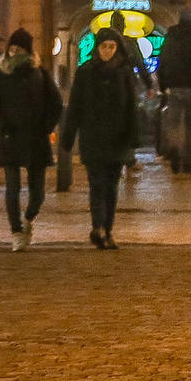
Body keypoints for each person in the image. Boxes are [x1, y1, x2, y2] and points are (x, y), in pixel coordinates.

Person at [0, 30, 60, 251]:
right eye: (12, 49)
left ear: (28, 50)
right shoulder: (1, 74)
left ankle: (28, 219)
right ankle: (15, 231)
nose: (14, 52)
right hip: (11, 137)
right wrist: (2, 126)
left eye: (19, 49)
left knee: (38, 193)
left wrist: (46, 127)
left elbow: (56, 104)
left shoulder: (39, 73)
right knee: (12, 188)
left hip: (36, 138)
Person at [63, 29, 141, 247]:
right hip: (93, 137)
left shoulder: (125, 73)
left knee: (112, 187)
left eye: (111, 47)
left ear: (117, 49)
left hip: (117, 138)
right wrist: (68, 136)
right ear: (97, 48)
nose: (107, 51)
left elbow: (132, 107)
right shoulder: (85, 72)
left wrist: (132, 138)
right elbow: (75, 106)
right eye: (104, 46)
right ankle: (97, 227)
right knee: (96, 185)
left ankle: (107, 229)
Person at [154, 9, 191, 174]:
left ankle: (174, 149)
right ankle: (187, 162)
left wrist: (163, 85)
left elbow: (162, 59)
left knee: (173, 123)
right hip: (190, 86)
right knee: (190, 126)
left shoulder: (171, 35)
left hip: (173, 87)